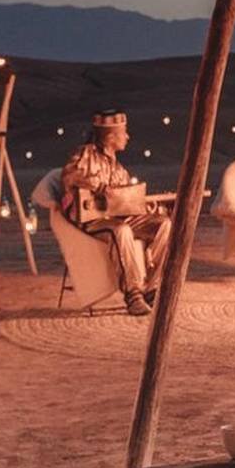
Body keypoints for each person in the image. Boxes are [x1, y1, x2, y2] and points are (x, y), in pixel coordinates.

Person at [61, 110, 170, 316]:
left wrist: (147, 206)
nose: (127, 137)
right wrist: (95, 183)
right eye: (124, 133)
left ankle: (151, 288)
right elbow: (69, 175)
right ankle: (133, 294)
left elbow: (126, 200)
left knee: (164, 224)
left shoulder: (119, 168)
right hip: (93, 220)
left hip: (118, 217)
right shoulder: (85, 155)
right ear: (110, 137)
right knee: (121, 230)